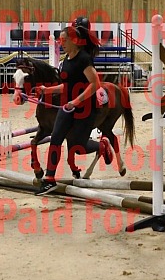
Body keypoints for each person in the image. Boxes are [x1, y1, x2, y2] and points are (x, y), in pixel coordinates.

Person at [35, 17, 114, 196]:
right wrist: (47, 90)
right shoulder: (66, 61)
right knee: (55, 139)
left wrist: (76, 101)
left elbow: (95, 84)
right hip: (67, 107)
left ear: (74, 41)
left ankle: (102, 146)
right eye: (60, 40)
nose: (61, 43)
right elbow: (67, 86)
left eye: (64, 40)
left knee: (78, 147)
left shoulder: (84, 59)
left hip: (85, 108)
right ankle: (49, 179)